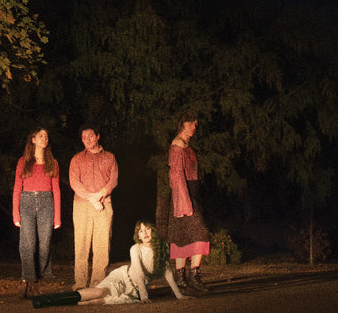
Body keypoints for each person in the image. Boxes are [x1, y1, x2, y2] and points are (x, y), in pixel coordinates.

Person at [32, 220, 185, 307]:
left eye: (147, 229)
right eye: (140, 231)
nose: (144, 233)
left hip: (133, 292)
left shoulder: (163, 247)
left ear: (153, 231)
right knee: (99, 293)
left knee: (95, 302)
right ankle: (47, 300)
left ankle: (65, 303)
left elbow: (168, 272)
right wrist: (144, 296)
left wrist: (179, 296)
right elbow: (138, 272)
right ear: (137, 235)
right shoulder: (135, 249)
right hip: (123, 277)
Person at [13, 127, 62, 299]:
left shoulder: (53, 162)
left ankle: (39, 276)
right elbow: (17, 188)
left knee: (44, 244)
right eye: (41, 136)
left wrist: (57, 216)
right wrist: (15, 214)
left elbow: (56, 190)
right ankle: (29, 281)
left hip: (46, 202)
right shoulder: (23, 161)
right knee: (27, 244)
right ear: (33, 139)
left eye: (46, 136)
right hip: (26, 202)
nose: (44, 139)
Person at [69, 124, 119, 289]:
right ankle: (80, 283)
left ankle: (98, 283)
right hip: (82, 205)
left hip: (104, 204)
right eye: (84, 137)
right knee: (81, 244)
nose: (87, 140)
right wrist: (91, 199)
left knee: (102, 244)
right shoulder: (77, 158)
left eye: (90, 136)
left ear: (98, 136)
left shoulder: (109, 157)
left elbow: (113, 180)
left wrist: (100, 195)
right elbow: (74, 182)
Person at [167, 114, 210, 295]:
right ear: (181, 123)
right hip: (182, 196)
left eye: (196, 124)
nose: (194, 126)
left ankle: (187, 278)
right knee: (198, 233)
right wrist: (183, 203)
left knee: (185, 236)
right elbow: (176, 176)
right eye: (190, 123)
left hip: (191, 194)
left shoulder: (186, 145)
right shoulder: (177, 147)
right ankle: (187, 277)